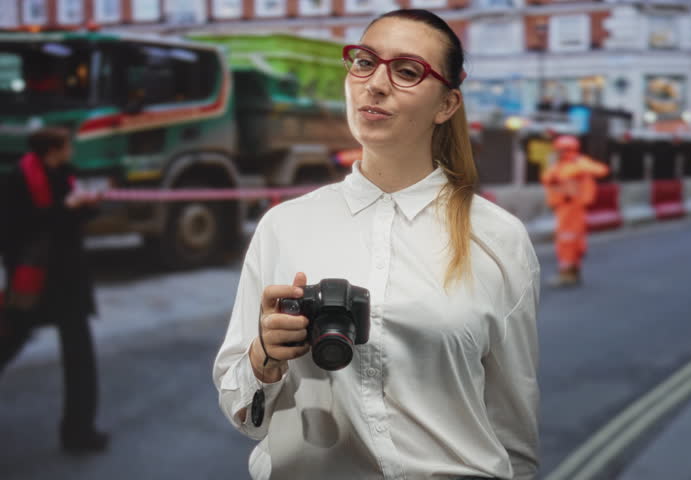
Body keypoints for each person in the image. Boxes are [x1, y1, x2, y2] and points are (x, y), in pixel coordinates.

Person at [213, 9, 540, 480]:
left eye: (407, 71)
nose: (376, 83)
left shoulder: (498, 239)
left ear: (447, 105)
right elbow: (243, 413)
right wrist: (263, 358)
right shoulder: (284, 226)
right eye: (364, 62)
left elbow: (515, 435)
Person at [0, 127, 108, 453]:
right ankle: (79, 432)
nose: (71, 151)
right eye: (67, 146)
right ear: (54, 150)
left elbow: (74, 217)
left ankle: (78, 431)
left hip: (67, 282)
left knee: (80, 358)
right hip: (33, 281)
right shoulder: (18, 180)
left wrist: (88, 204)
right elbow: (20, 226)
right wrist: (68, 209)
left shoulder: (65, 174)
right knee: (8, 342)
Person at [540, 135, 609, 287]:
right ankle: (572, 272)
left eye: (559, 150)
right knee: (570, 240)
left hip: (572, 207)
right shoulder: (560, 165)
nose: (556, 152)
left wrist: (577, 165)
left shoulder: (578, 163)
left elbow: (601, 170)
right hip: (563, 207)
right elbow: (547, 178)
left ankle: (567, 274)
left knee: (567, 240)